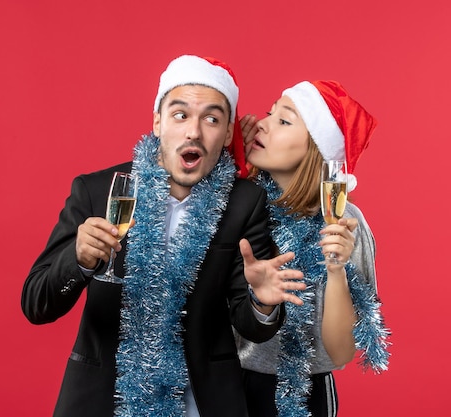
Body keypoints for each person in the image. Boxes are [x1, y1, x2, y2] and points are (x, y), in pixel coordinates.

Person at [21, 54, 307, 417]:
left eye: (212, 119)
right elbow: (36, 304)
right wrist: (77, 261)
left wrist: (262, 303)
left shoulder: (244, 203)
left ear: (226, 132)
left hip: (202, 402)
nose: (194, 132)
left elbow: (253, 327)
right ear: (157, 122)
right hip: (101, 399)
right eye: (180, 115)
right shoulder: (96, 191)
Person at [234, 80, 390, 417]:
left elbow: (342, 352)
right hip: (225, 386)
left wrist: (336, 269)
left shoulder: (345, 223)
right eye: (269, 113)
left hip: (307, 396)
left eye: (284, 121)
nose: (261, 124)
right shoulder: (233, 205)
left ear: (316, 148)